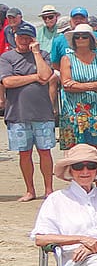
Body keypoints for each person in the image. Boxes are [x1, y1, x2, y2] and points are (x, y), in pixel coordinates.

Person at [3, 21, 58, 199]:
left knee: (45, 152)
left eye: (28, 38)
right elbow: (8, 82)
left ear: (34, 39)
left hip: (42, 113)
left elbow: (46, 76)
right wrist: (34, 77)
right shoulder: (6, 57)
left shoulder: (42, 55)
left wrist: (35, 53)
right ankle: (30, 190)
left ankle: (49, 189)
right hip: (17, 113)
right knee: (24, 154)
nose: (24, 41)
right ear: (15, 37)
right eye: (21, 37)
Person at [57, 25, 97, 152]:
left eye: (84, 36)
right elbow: (66, 84)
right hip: (74, 110)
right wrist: (92, 85)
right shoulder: (66, 59)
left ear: (91, 39)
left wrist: (77, 85)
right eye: (77, 36)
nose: (80, 39)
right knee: (75, 150)